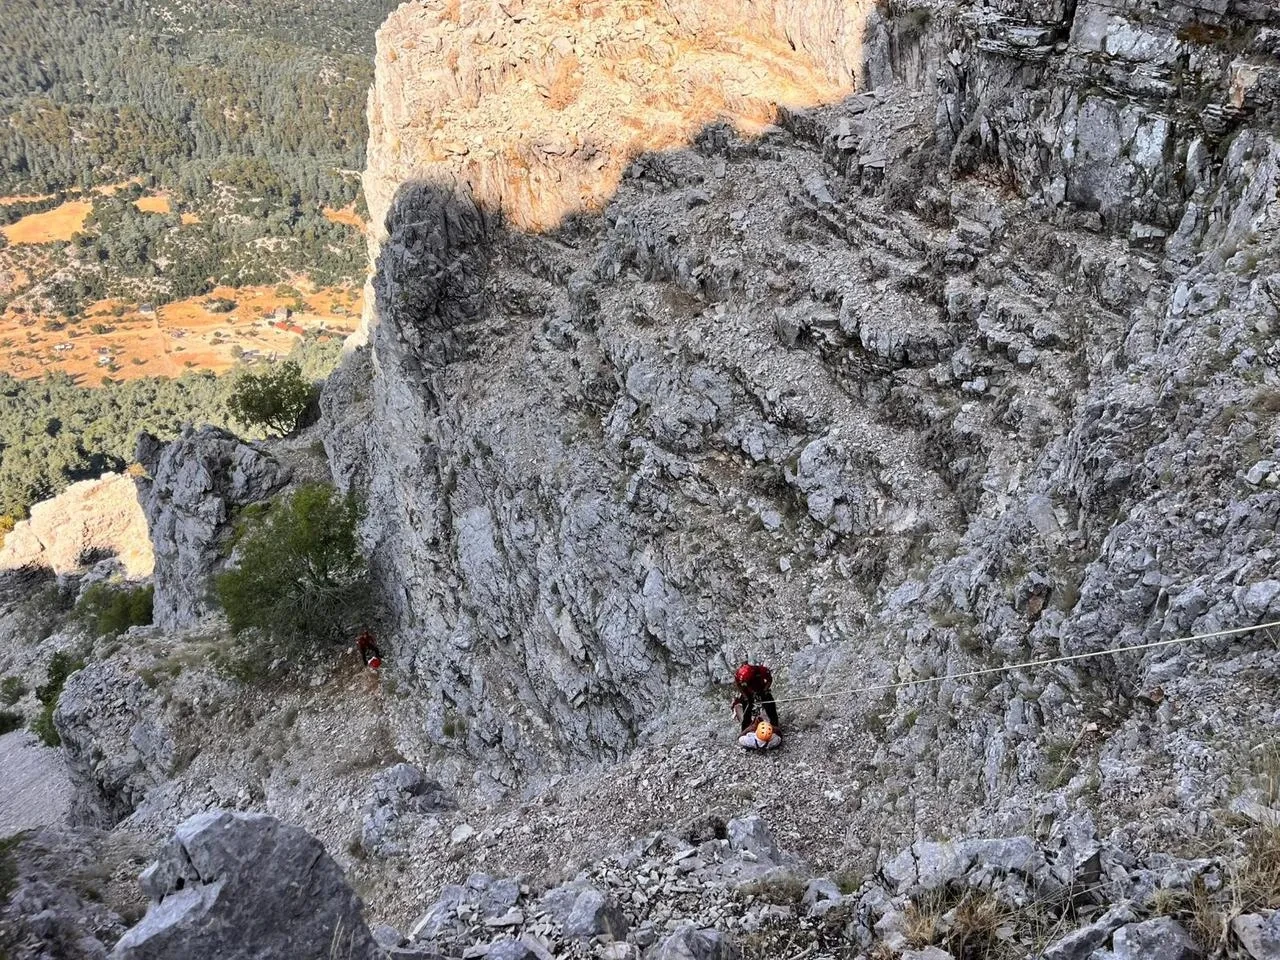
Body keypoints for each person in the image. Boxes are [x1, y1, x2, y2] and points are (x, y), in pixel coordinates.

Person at [731, 662, 779, 733]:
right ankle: (745, 729)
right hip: (747, 692)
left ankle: (775, 726)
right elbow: (738, 685)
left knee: (770, 706)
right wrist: (745, 696)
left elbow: (769, 680)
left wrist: (765, 690)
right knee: (747, 709)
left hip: (761, 688)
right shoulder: (739, 675)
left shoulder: (761, 670)